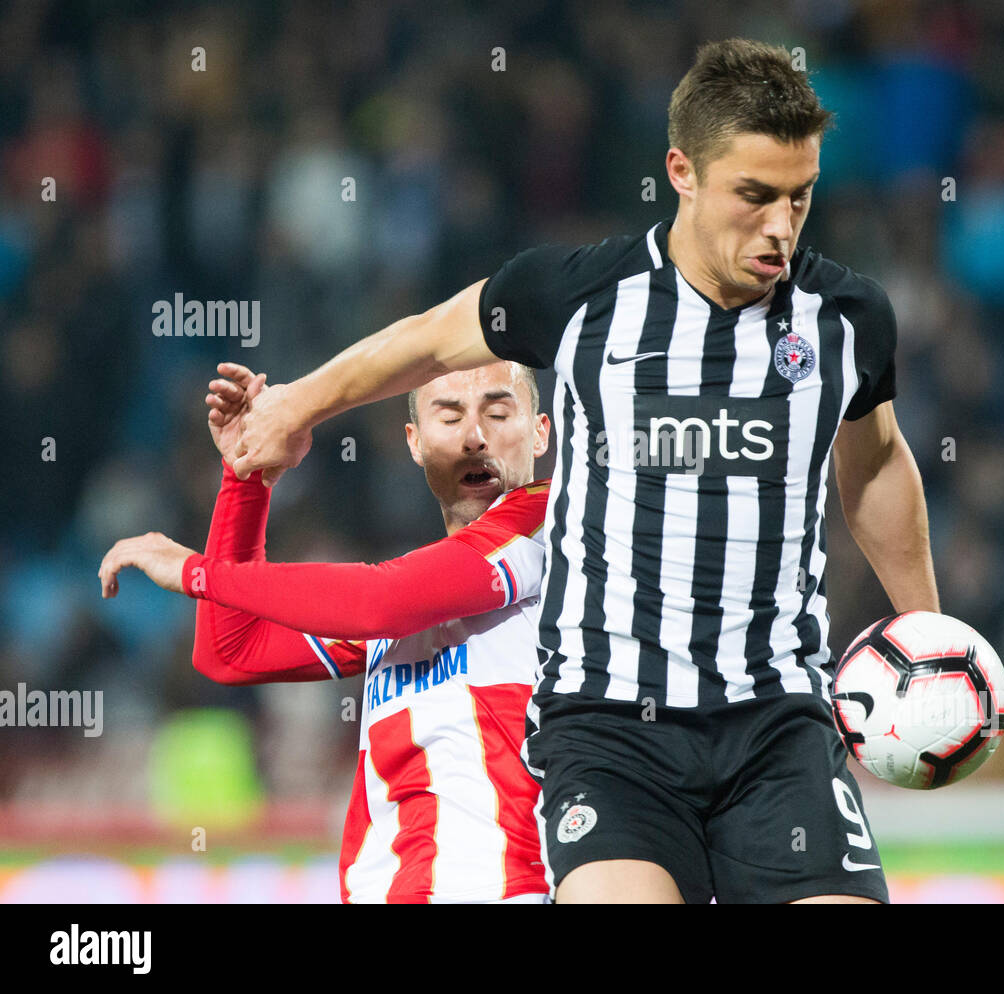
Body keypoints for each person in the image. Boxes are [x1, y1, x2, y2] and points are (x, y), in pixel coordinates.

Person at [228, 38, 940, 904]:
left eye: (800, 196)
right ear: (682, 170)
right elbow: (420, 341)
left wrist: (927, 635)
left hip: (777, 718)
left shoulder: (846, 318)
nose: (781, 228)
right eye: (753, 197)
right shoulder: (577, 297)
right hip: (608, 727)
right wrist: (296, 407)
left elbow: (873, 468)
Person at [99, 360, 554, 903]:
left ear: (541, 431)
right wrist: (247, 478)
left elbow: (379, 601)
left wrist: (197, 572)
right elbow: (232, 651)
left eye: (499, 412)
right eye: (450, 417)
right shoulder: (420, 595)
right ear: (413, 441)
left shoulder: (551, 530)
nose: (476, 437)